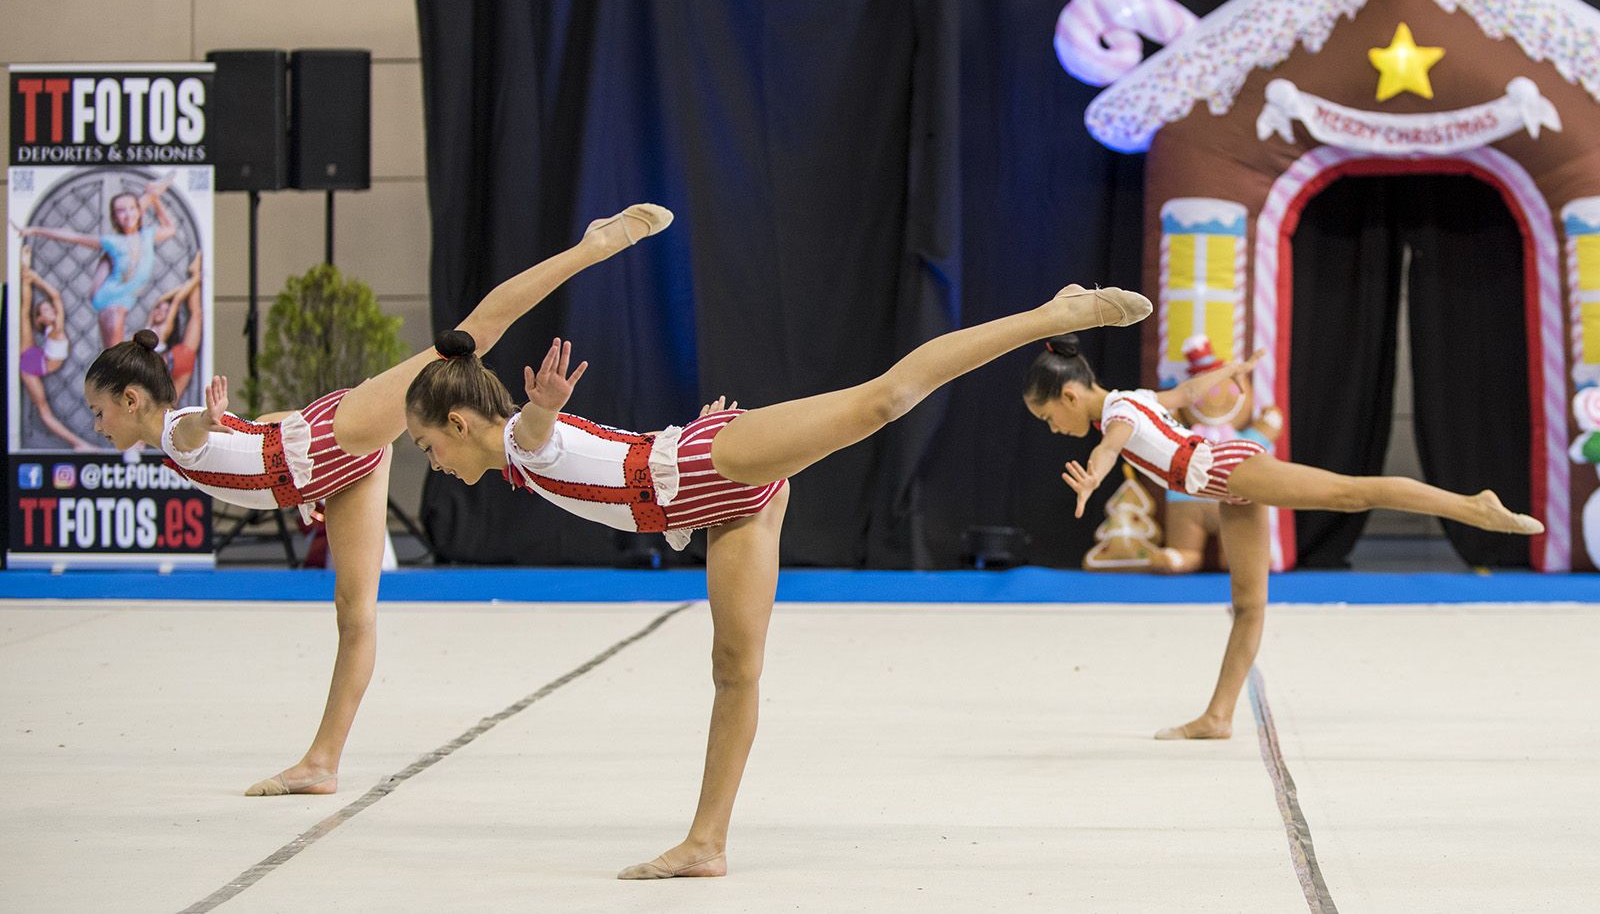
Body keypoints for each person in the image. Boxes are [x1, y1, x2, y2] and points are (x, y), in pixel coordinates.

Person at [402, 283, 1153, 880]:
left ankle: (1052, 313)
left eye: (426, 444)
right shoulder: (518, 463)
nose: (430, 460)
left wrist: (541, 411)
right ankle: (706, 843)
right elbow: (598, 457)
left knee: (884, 399)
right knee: (736, 669)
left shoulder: (522, 446)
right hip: (710, 496)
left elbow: (537, 438)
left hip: (708, 468)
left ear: (460, 424)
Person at [81, 204, 672, 797]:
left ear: (132, 399)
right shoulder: (183, 432)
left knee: (470, 338)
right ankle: (322, 763)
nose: (97, 424)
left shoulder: (180, 432)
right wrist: (296, 484)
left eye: (99, 411)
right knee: (354, 614)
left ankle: (591, 247)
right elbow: (260, 430)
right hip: (325, 465)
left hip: (338, 435)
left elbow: (195, 437)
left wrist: (220, 434)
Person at [1023, 334, 1543, 741]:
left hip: (1221, 467)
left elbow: (1112, 447)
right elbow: (1185, 394)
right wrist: (1234, 370)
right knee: (1249, 605)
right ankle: (1218, 716)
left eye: (1049, 417)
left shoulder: (1116, 415)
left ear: (1070, 394)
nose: (1053, 428)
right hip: (1223, 488)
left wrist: (1095, 473)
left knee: (1352, 493)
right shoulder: (1131, 399)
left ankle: (1473, 506)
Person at [1160, 334, 1281, 573]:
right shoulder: (1186, 435)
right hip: (1187, 500)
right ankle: (1184, 556)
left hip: (1233, 497)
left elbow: (1258, 440)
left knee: (1240, 547)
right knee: (1185, 546)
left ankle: (1243, 559)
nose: (1213, 394)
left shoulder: (1238, 437)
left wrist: (1268, 425)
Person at [13, 173, 178, 346]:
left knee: (111, 351)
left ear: (138, 210)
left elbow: (170, 228)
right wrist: (34, 230)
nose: (128, 215)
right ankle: (116, 372)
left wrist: (155, 199)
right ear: (114, 217)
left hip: (126, 296)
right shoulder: (113, 242)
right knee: (115, 350)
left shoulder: (148, 235)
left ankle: (151, 191)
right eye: (120, 211)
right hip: (112, 296)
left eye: (132, 209)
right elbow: (74, 237)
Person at [17, 243, 95, 450]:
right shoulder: (55, 330)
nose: (51, 309)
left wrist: (29, 272)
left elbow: (47, 302)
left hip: (36, 357)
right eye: (46, 310)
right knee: (43, 411)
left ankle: (25, 271)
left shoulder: (50, 329)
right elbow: (57, 297)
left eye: (50, 308)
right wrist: (37, 280)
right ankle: (77, 443)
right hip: (33, 364)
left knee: (25, 311)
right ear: (42, 319)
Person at [144, 251, 204, 393]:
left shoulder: (163, 327)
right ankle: (194, 274)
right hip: (164, 365)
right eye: (159, 309)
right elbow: (161, 300)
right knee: (196, 315)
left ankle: (195, 273)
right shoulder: (150, 325)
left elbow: (176, 301)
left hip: (170, 361)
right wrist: (190, 282)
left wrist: (195, 279)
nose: (161, 313)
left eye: (166, 312)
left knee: (196, 315)